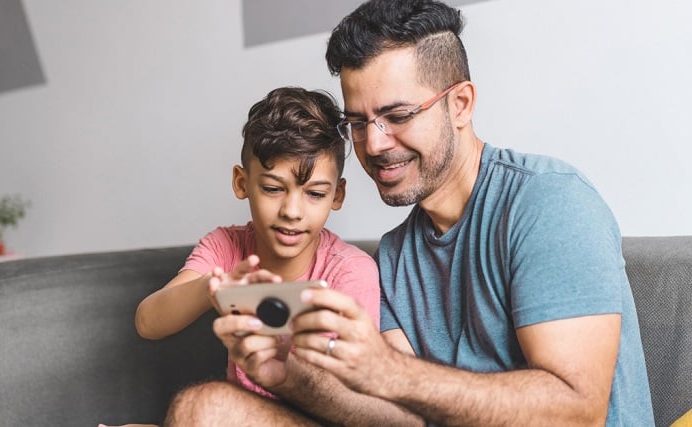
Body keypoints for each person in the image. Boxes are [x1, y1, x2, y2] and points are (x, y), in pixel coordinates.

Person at [164, 0, 654, 425]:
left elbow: (577, 411)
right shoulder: (395, 256)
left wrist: (388, 371)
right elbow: (401, 420)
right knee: (204, 410)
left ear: (460, 104)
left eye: (397, 116)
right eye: (358, 122)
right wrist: (285, 374)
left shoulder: (547, 202)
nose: (374, 144)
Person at [134, 86, 381, 399]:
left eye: (315, 194)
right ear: (242, 183)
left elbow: (359, 396)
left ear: (337, 195)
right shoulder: (228, 246)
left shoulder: (351, 272)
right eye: (273, 189)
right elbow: (147, 321)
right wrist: (214, 287)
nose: (292, 212)